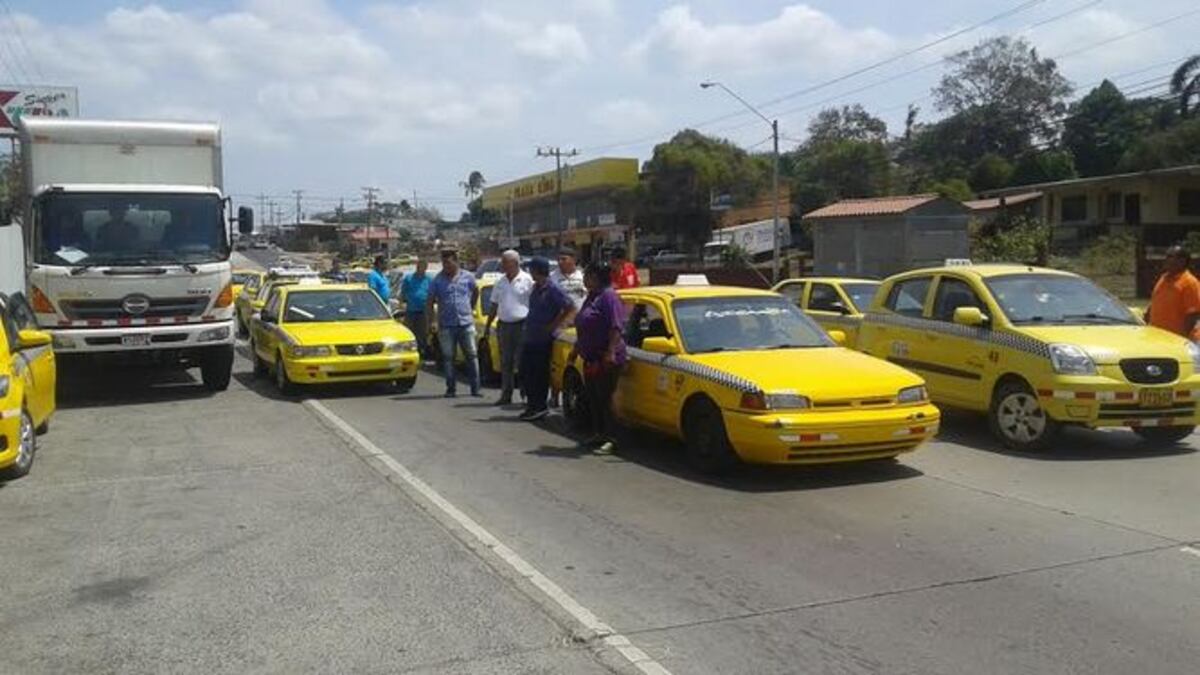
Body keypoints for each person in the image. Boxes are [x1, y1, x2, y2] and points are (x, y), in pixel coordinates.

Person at [568, 262, 627, 453]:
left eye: (587, 276)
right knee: (593, 397)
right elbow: (584, 325)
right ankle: (599, 433)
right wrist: (576, 349)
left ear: (595, 277)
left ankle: (612, 438)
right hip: (591, 358)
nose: (584, 280)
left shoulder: (609, 297)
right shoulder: (592, 297)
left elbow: (616, 326)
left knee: (605, 397)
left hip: (606, 358)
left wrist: (611, 351)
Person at [519, 257, 575, 422]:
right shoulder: (536, 288)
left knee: (539, 373)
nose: (530, 272)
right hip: (531, 336)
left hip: (543, 339)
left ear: (538, 270)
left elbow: (570, 307)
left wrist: (555, 325)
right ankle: (531, 405)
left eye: (532, 269)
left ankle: (539, 406)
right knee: (527, 372)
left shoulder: (553, 289)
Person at [427, 249, 481, 398]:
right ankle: (451, 389)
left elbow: (476, 291)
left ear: (456, 262)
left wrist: (470, 307)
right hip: (446, 324)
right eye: (444, 263)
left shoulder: (467, 277)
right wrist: (432, 321)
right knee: (449, 358)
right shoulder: (437, 280)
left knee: (472, 355)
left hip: (466, 323)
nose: (446, 266)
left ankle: (475, 388)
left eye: (449, 263)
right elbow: (430, 301)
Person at [483, 250, 533, 405]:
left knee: (523, 361)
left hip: (522, 325)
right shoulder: (500, 282)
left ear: (515, 263)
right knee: (506, 362)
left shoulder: (527, 280)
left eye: (505, 262)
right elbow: (494, 304)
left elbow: (534, 303)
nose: (502, 265)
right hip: (504, 325)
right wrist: (488, 325)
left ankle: (526, 394)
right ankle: (506, 394)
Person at [1147, 245, 1200, 339]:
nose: (1166, 259)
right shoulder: (1164, 278)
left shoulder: (1190, 282)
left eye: (1170, 256)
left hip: (1178, 340)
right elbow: (1156, 302)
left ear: (1182, 261)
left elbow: (1193, 314)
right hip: (1159, 337)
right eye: (1167, 256)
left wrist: (1182, 338)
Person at [401, 256, 432, 357]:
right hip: (411, 310)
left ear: (426, 267)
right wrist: (402, 305)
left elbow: (432, 294)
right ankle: (408, 350)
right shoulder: (408, 278)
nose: (421, 268)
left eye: (423, 266)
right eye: (419, 266)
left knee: (423, 332)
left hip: (424, 310)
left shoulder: (429, 279)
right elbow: (403, 293)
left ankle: (422, 351)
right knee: (409, 331)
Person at [551, 247, 586, 312]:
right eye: (558, 259)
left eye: (564, 259)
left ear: (574, 260)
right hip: (561, 316)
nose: (560, 262)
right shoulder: (551, 277)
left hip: (581, 314)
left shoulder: (582, 275)